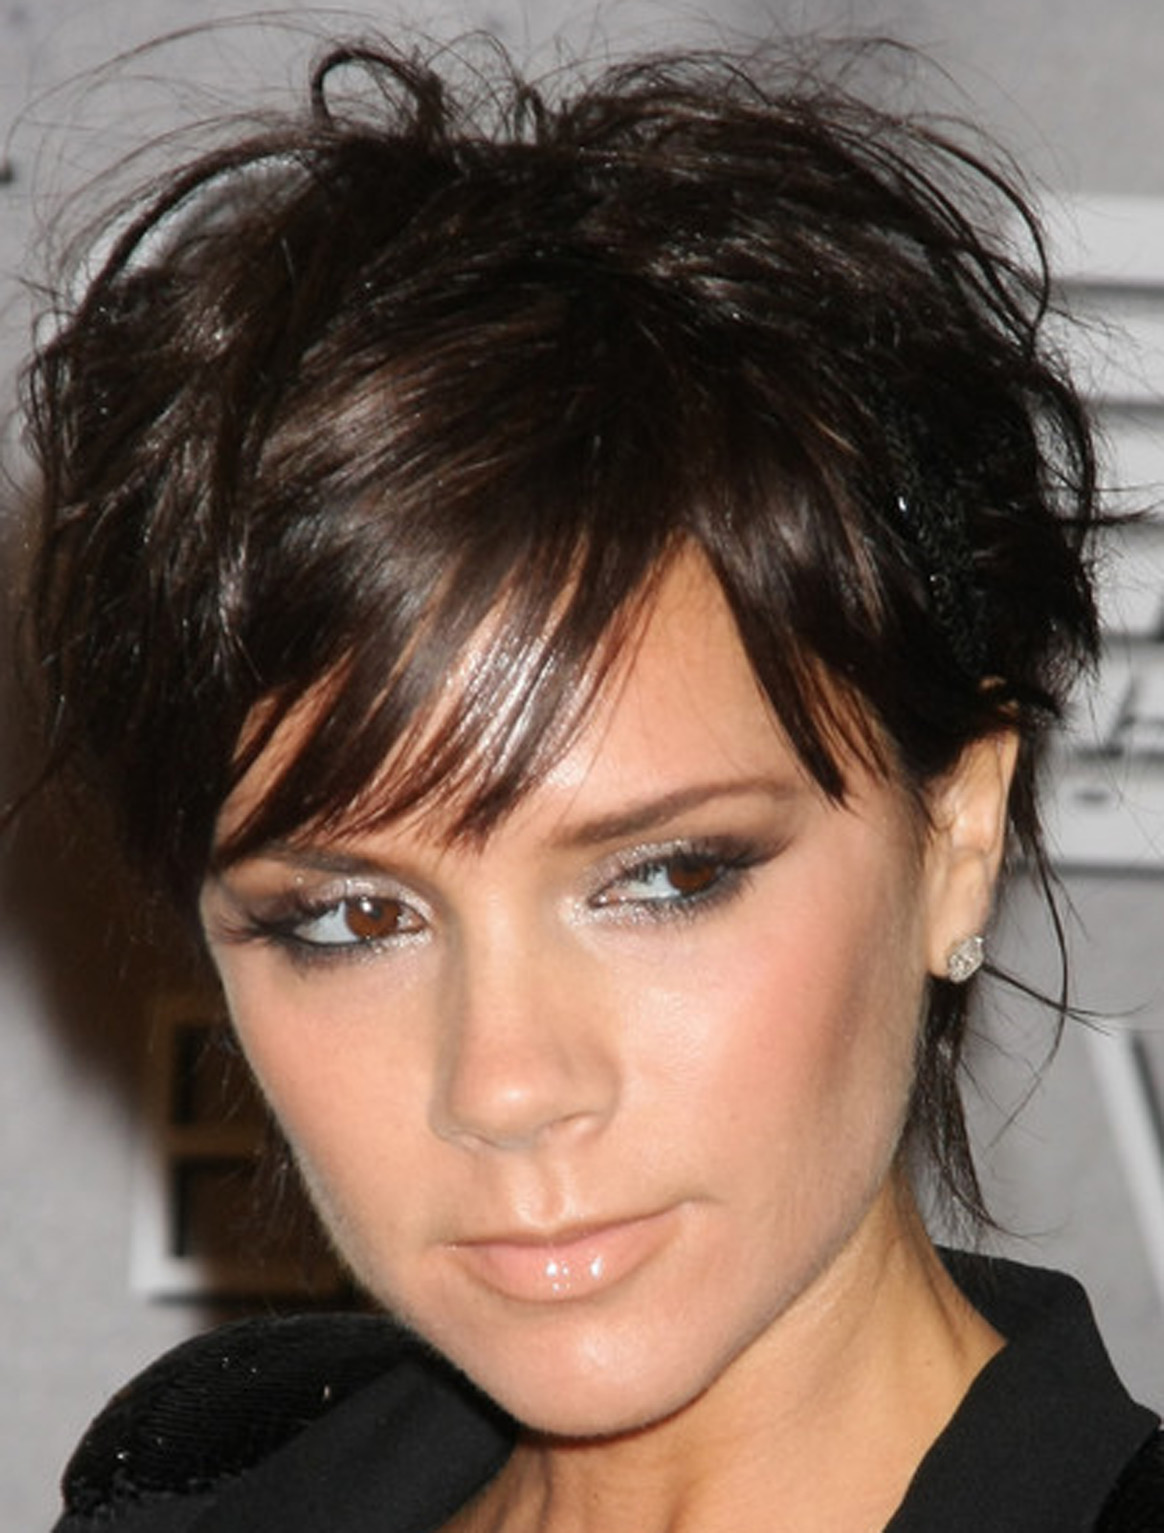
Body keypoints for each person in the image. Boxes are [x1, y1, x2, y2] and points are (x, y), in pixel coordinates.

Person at [15, 32, 1164, 1532]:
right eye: (354, 919)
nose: (506, 1087)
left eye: (664, 878)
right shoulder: (188, 1491)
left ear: (956, 835)